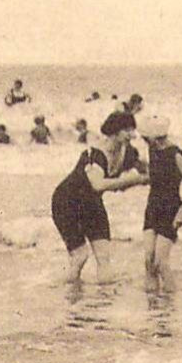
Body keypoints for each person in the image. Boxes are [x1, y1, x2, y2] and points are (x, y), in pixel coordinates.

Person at [50, 111, 149, 282]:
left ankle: (103, 304)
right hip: (66, 202)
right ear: (114, 131)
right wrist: (135, 180)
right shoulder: (94, 154)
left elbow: (145, 170)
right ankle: (70, 298)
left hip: (92, 202)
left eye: (133, 129)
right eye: (127, 130)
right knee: (80, 256)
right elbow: (98, 184)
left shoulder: (128, 151)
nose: (132, 135)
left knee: (104, 257)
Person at [140, 116, 182, 292]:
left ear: (156, 136)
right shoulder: (152, 150)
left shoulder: (175, 154)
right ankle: (152, 307)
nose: (144, 140)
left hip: (171, 209)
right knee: (148, 260)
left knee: (160, 261)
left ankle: (169, 304)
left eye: (146, 137)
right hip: (152, 207)